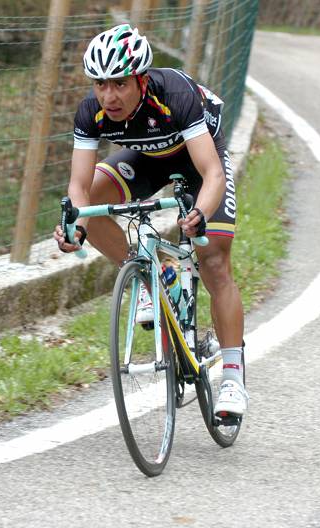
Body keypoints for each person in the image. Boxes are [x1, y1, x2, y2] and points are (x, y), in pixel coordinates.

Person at [53, 24, 247, 418]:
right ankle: (152, 271)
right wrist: (76, 227)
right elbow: (78, 187)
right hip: (146, 160)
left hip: (196, 157)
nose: (109, 96)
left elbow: (212, 174)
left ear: (141, 80)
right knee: (92, 202)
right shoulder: (91, 112)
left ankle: (232, 377)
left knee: (214, 260)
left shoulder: (174, 95)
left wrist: (199, 215)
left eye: (120, 84)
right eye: (101, 84)